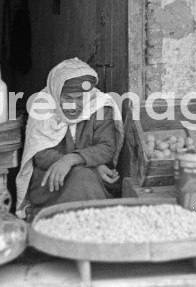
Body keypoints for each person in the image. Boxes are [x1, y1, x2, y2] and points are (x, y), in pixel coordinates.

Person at [15, 58, 124, 219]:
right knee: (82, 176)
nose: (74, 105)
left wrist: (70, 160)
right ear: (56, 93)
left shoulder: (99, 106)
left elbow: (107, 147)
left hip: (93, 182)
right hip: (53, 184)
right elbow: (41, 154)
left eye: (80, 98)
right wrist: (93, 165)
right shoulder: (43, 107)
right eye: (67, 98)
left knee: (83, 178)